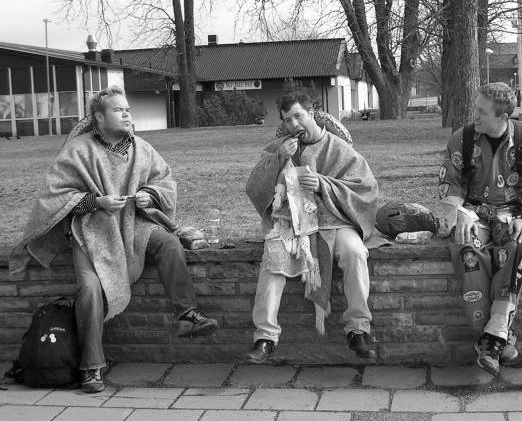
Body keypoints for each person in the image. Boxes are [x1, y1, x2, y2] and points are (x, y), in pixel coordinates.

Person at [10, 86, 218, 393]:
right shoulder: (78, 150)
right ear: (99, 117)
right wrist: (96, 202)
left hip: (136, 226)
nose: (127, 114)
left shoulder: (142, 148)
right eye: (119, 110)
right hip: (92, 232)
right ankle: (91, 367)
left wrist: (150, 196)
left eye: (128, 110)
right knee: (90, 290)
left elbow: (164, 182)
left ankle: (187, 314)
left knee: (169, 243)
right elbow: (55, 197)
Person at [245, 89, 379, 363]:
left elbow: (366, 189)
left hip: (335, 222)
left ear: (313, 113)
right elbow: (254, 186)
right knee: (274, 259)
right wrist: (278, 159)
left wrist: (323, 184)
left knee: (355, 252)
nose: (294, 125)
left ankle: (359, 329)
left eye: (298, 116)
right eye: (287, 120)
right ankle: (265, 337)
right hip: (293, 225)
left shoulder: (339, 148)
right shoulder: (279, 147)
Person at [438, 82, 522, 376]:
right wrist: (460, 211)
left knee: (516, 248)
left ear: (503, 117)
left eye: (481, 111)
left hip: (511, 213)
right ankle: (499, 338)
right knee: (466, 249)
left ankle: (491, 339)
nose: (474, 115)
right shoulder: (461, 140)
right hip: (472, 212)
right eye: (475, 108)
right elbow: (450, 182)